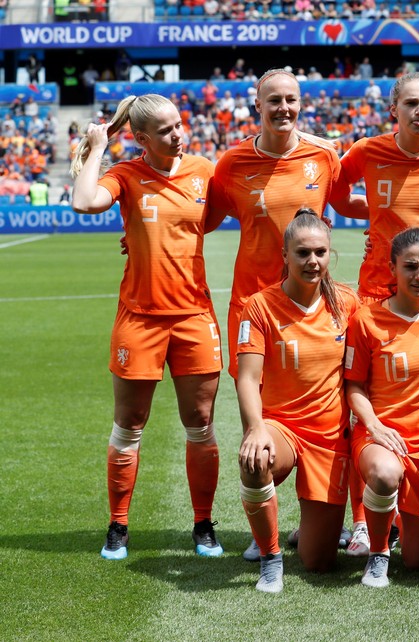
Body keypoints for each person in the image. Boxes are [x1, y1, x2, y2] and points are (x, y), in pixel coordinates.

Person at [70, 94, 223, 560]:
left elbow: (215, 218)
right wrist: (98, 146)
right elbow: (83, 201)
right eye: (166, 130)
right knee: (129, 426)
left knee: (200, 424)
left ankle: (203, 524)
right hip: (139, 320)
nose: (179, 134)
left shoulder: (204, 170)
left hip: (195, 317)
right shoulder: (127, 175)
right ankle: (118, 526)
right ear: (140, 139)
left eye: (180, 125)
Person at [209, 68, 353, 562]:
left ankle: (339, 520)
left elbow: (347, 203)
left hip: (314, 304)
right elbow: (200, 217)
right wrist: (145, 238)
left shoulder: (322, 156)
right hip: (255, 306)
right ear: (257, 104)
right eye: (274, 100)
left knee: (331, 402)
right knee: (260, 410)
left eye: (291, 100)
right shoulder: (231, 163)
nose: (284, 109)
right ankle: (263, 528)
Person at [333, 71, 419, 557]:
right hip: (374, 293)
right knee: (365, 396)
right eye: (411, 102)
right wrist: (372, 212)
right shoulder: (368, 151)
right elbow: (334, 190)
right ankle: (361, 522)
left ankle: (418, 510)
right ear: (393, 107)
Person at [236, 209, 359, 593]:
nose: (312, 261)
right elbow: (247, 377)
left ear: (330, 253)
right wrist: (256, 429)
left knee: (319, 562)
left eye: (320, 252)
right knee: (256, 461)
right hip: (281, 428)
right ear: (285, 255)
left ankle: (307, 531)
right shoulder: (258, 306)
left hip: (329, 437)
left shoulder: (348, 304)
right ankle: (270, 557)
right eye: (303, 253)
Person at [344, 227, 419, 588]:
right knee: (384, 474)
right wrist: (375, 427)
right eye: (410, 266)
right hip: (381, 439)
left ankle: (397, 520)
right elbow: (353, 385)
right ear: (392, 268)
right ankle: (378, 552)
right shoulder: (366, 320)